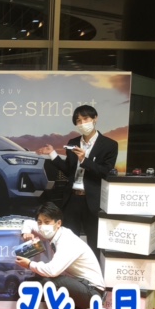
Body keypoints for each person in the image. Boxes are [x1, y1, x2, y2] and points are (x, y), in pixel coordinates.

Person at [38, 105, 117, 258]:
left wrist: (84, 160)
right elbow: (68, 170)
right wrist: (53, 154)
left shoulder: (109, 145)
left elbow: (105, 172)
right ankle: (68, 269)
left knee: (94, 240)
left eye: (85, 119)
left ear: (95, 118)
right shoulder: (73, 142)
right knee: (68, 239)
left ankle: (92, 271)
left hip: (92, 200)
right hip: (72, 199)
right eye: (78, 121)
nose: (82, 123)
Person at [15, 202, 105, 309]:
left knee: (48, 283)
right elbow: (28, 223)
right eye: (39, 222)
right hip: (78, 283)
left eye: (47, 222)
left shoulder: (67, 240)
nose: (42, 226)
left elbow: (52, 271)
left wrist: (29, 264)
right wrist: (26, 232)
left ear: (58, 223)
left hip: (93, 292)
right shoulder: (52, 231)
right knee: (32, 283)